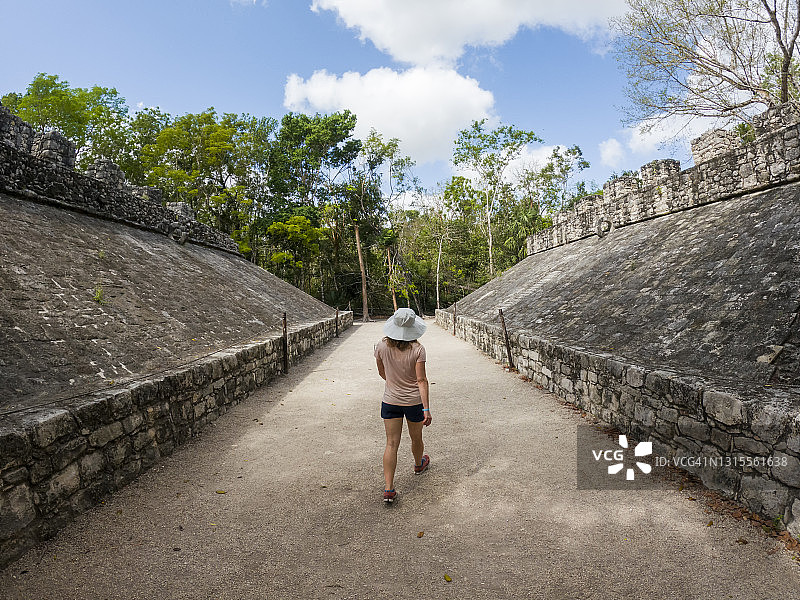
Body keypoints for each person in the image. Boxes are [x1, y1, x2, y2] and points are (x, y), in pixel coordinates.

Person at [374, 308, 432, 504]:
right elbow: (421, 380)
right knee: (416, 438)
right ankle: (418, 464)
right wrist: (426, 408)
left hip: (390, 400)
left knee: (391, 443)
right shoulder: (418, 350)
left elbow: (382, 373)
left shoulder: (381, 346)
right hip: (413, 402)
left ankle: (389, 488)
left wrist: (394, 384)